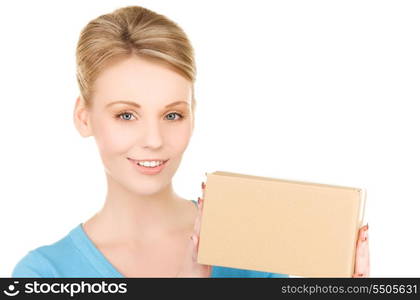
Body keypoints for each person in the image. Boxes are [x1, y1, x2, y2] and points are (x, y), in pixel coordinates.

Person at [11, 5, 369, 278]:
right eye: (126, 115)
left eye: (172, 115)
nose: (153, 140)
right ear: (83, 116)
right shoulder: (45, 273)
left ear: (193, 114)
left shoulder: (251, 241)